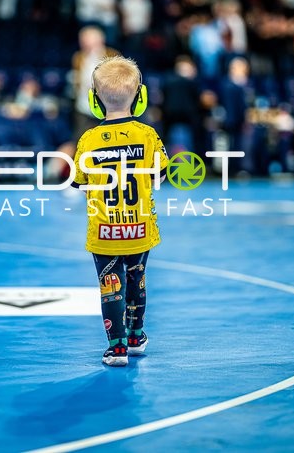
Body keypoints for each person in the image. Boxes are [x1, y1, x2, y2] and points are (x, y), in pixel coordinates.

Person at [71, 56, 168, 367]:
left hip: (105, 230)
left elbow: (80, 183)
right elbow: (160, 176)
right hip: (139, 226)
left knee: (111, 285)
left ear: (94, 100)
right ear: (140, 97)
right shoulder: (148, 135)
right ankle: (136, 336)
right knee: (137, 278)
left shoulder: (88, 139)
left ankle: (117, 347)